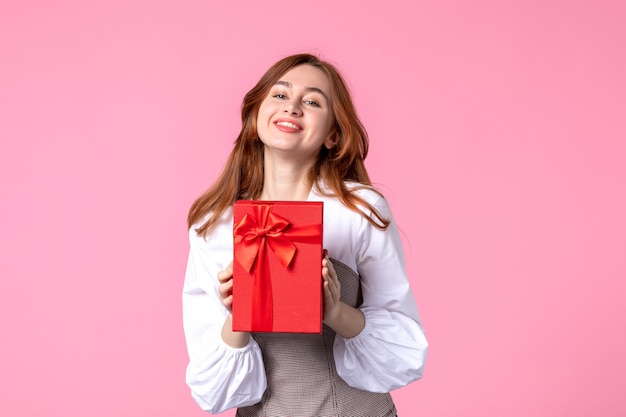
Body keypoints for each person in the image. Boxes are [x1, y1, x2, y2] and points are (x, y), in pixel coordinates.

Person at [183, 53, 428, 417]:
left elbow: (403, 351)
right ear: (255, 116)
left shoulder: (359, 209)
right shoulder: (214, 223)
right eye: (279, 95)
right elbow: (213, 391)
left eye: (312, 101)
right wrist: (240, 317)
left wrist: (333, 311)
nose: (293, 106)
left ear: (332, 134)